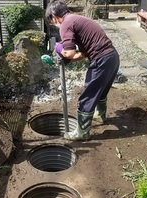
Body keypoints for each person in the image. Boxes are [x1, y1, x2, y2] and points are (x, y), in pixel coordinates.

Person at [45, 0, 120, 141]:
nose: (54, 24)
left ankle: (82, 132)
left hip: (101, 59)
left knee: (87, 96)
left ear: (54, 16)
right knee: (101, 90)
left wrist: (59, 48)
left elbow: (70, 53)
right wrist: (68, 58)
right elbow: (81, 54)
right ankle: (99, 115)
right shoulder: (79, 19)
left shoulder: (66, 23)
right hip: (112, 57)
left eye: (52, 21)